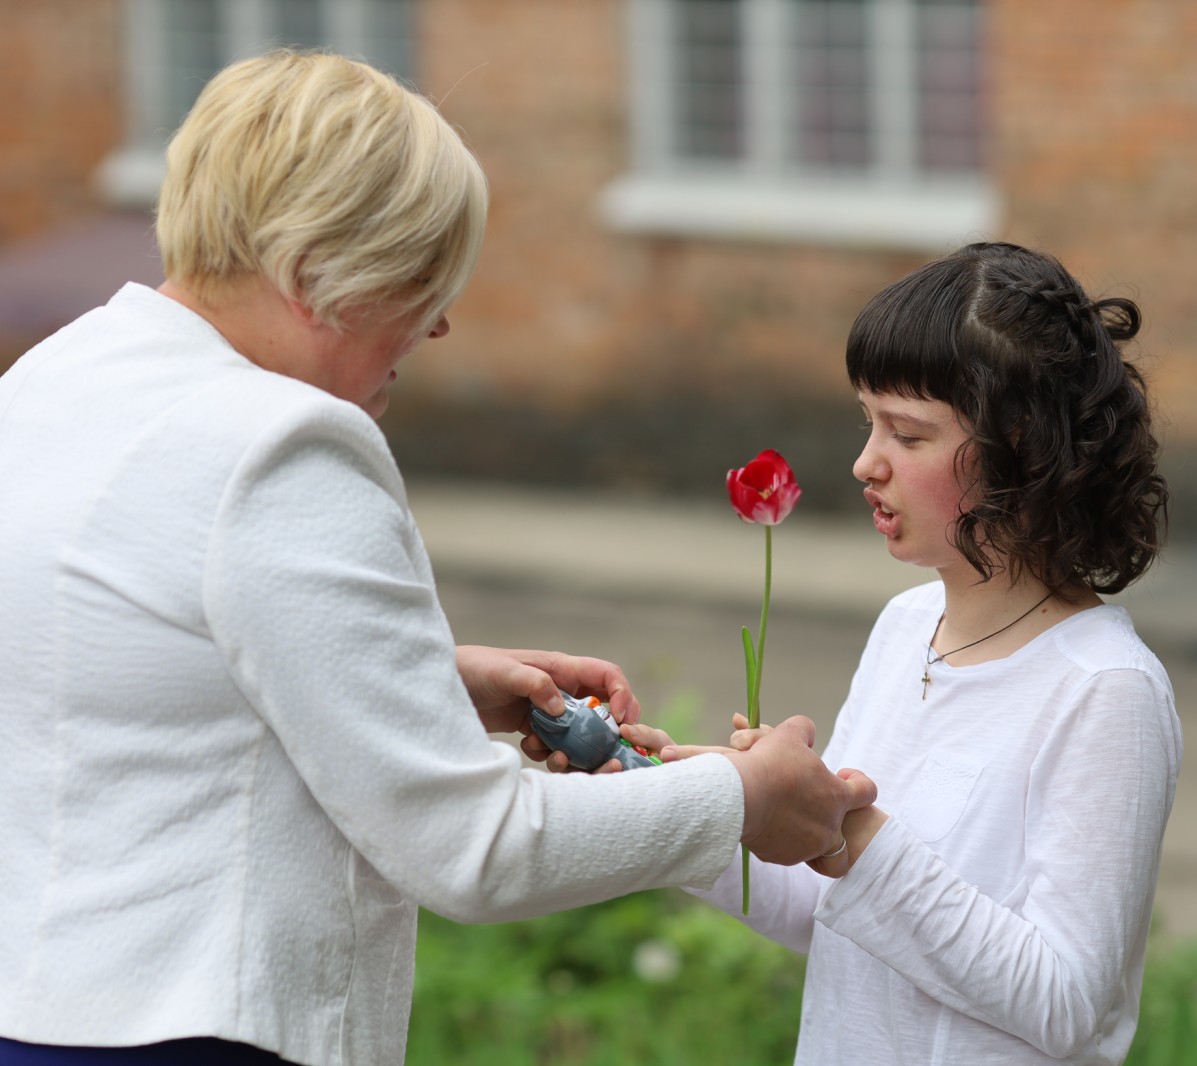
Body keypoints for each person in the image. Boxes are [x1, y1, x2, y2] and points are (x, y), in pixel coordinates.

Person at [0, 50, 872, 1066]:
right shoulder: (283, 445)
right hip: (199, 1031)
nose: (443, 321)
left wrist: (421, 682)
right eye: (420, 279)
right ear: (311, 275)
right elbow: (471, 847)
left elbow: (114, 666)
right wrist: (745, 798)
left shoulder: (54, 382)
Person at [646, 242, 1182, 1064]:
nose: (866, 463)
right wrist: (691, 798)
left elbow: (1068, 1001)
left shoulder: (1106, 691)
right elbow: (819, 907)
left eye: (907, 433)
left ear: (1021, 448)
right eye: (868, 423)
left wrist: (845, 831)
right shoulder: (907, 625)